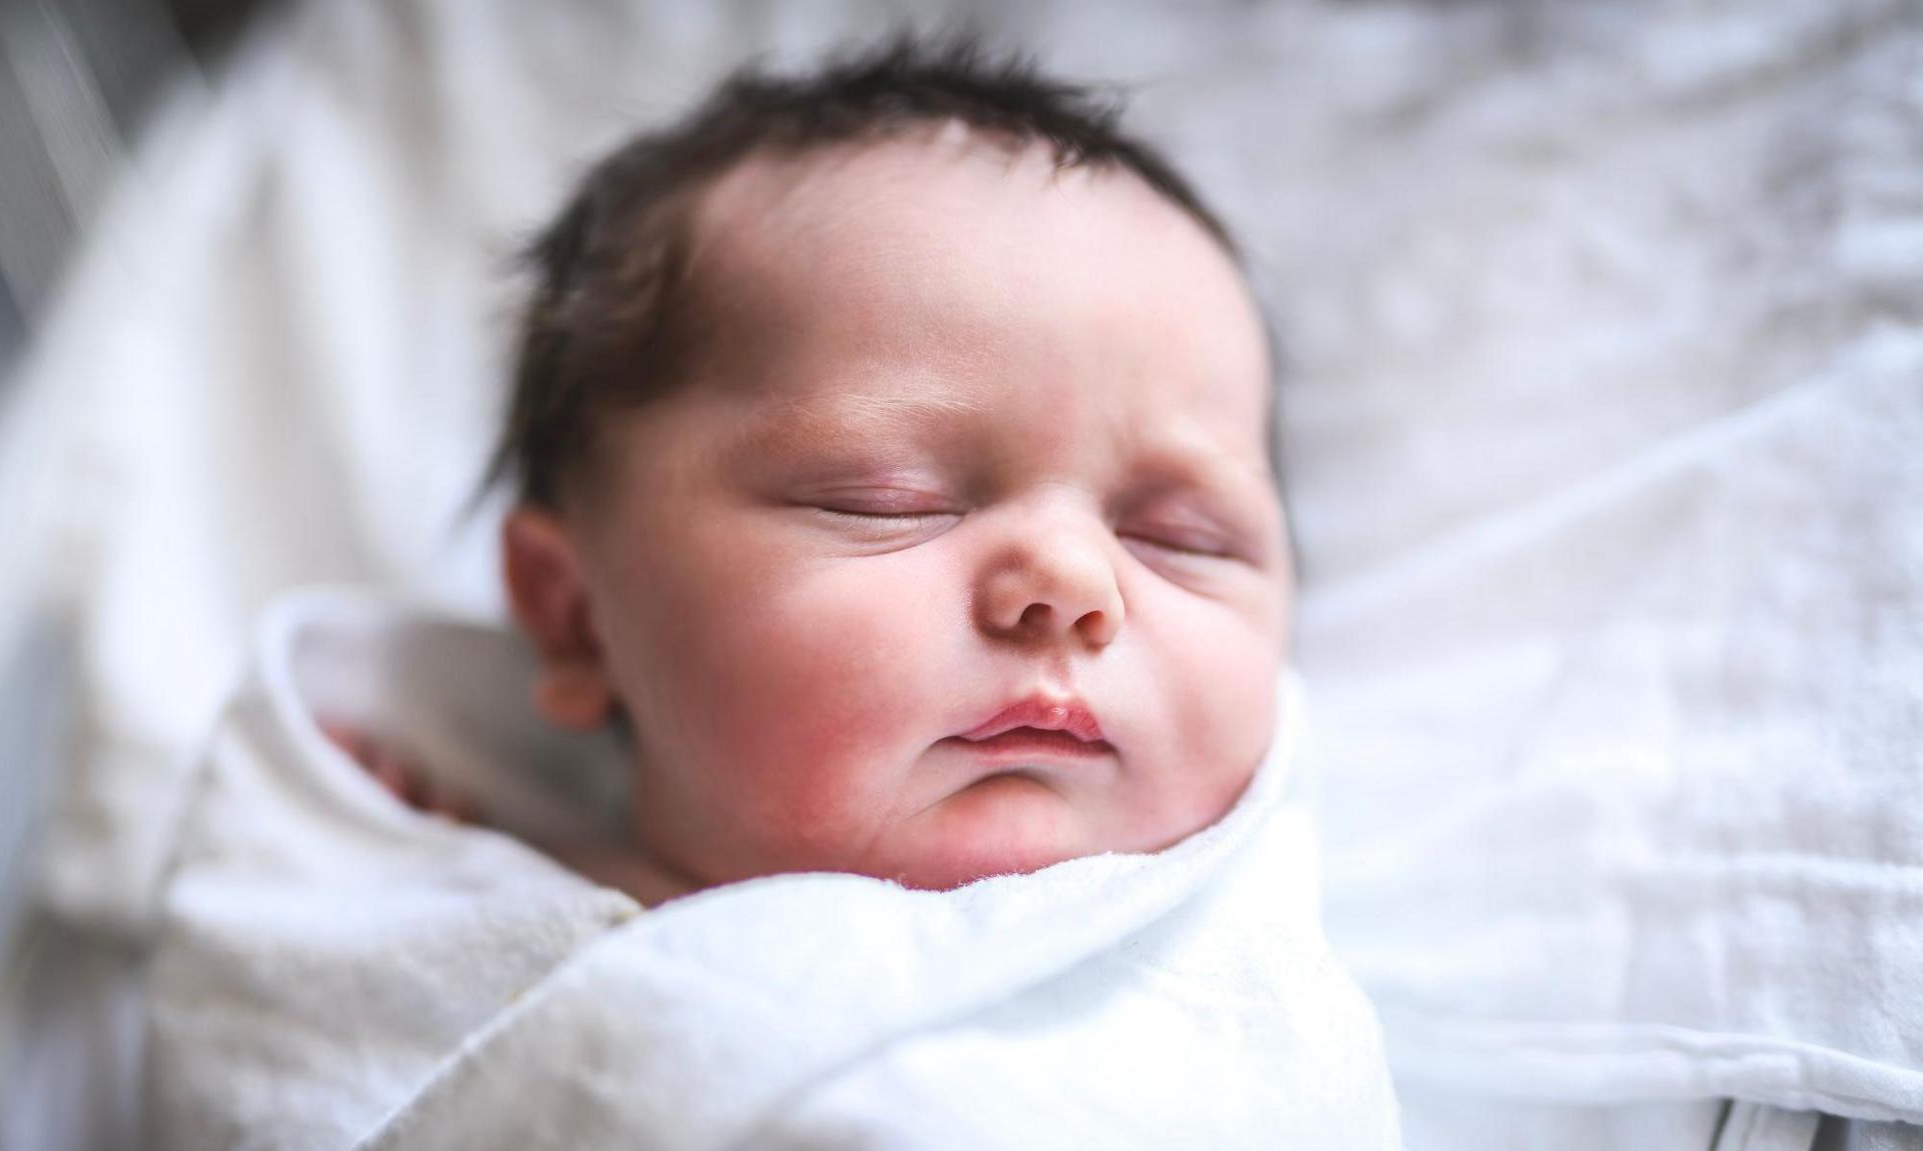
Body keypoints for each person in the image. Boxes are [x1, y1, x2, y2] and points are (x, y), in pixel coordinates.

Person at [146, 38, 1395, 1149]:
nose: (1073, 585)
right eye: (886, 498)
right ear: (581, 616)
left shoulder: (1222, 1021)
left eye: (1180, 535)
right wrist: (427, 891)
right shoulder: (436, 922)